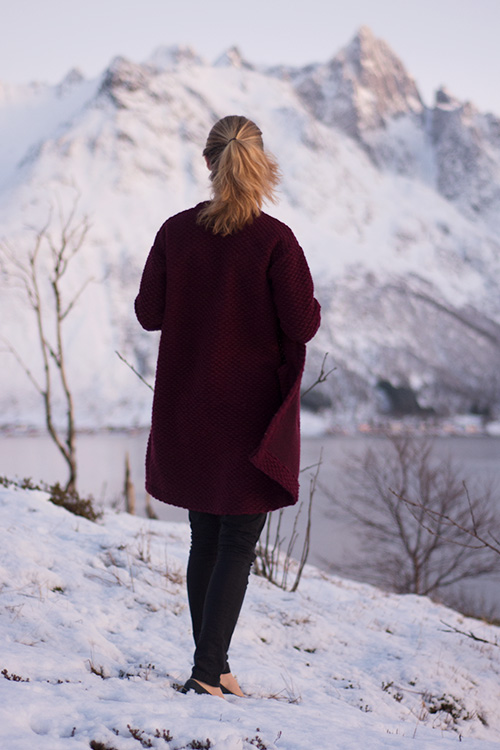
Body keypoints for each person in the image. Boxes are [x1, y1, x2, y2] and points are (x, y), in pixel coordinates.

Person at [135, 115, 320, 698]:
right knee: (236, 543)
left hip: (190, 407)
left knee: (205, 540)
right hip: (248, 414)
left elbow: (149, 313)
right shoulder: (275, 240)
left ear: (208, 163)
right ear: (260, 164)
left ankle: (213, 668)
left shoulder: (174, 232)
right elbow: (303, 323)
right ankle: (206, 671)